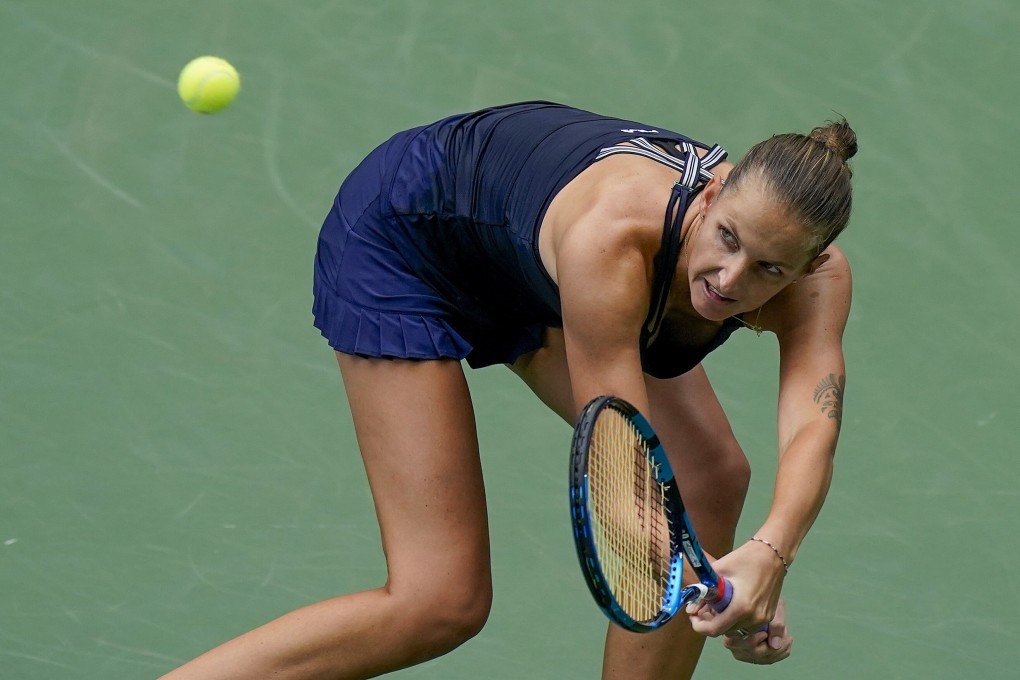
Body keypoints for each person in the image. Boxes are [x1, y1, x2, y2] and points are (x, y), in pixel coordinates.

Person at [161, 100, 855, 679]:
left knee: (711, 476)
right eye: (727, 238)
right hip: (410, 239)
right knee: (440, 603)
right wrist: (718, 592)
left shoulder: (819, 284)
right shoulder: (612, 239)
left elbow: (812, 426)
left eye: (768, 269)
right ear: (710, 193)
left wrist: (768, 559)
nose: (730, 279)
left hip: (528, 270)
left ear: (811, 265)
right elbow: (620, 464)